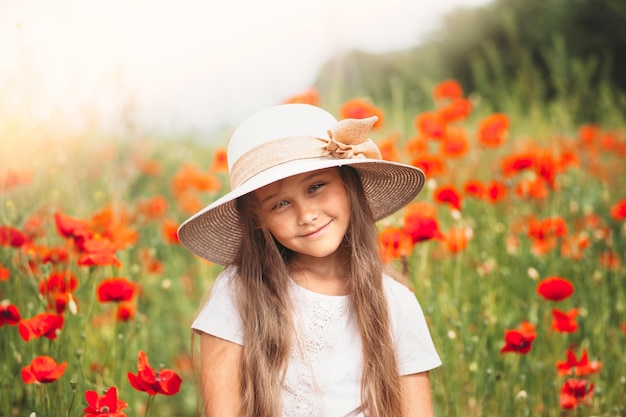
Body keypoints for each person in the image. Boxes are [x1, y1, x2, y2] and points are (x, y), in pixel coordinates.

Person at [177, 103, 441, 417]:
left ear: (348, 183)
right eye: (279, 204)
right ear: (257, 219)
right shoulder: (237, 292)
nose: (306, 215)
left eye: (316, 187)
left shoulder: (395, 303)